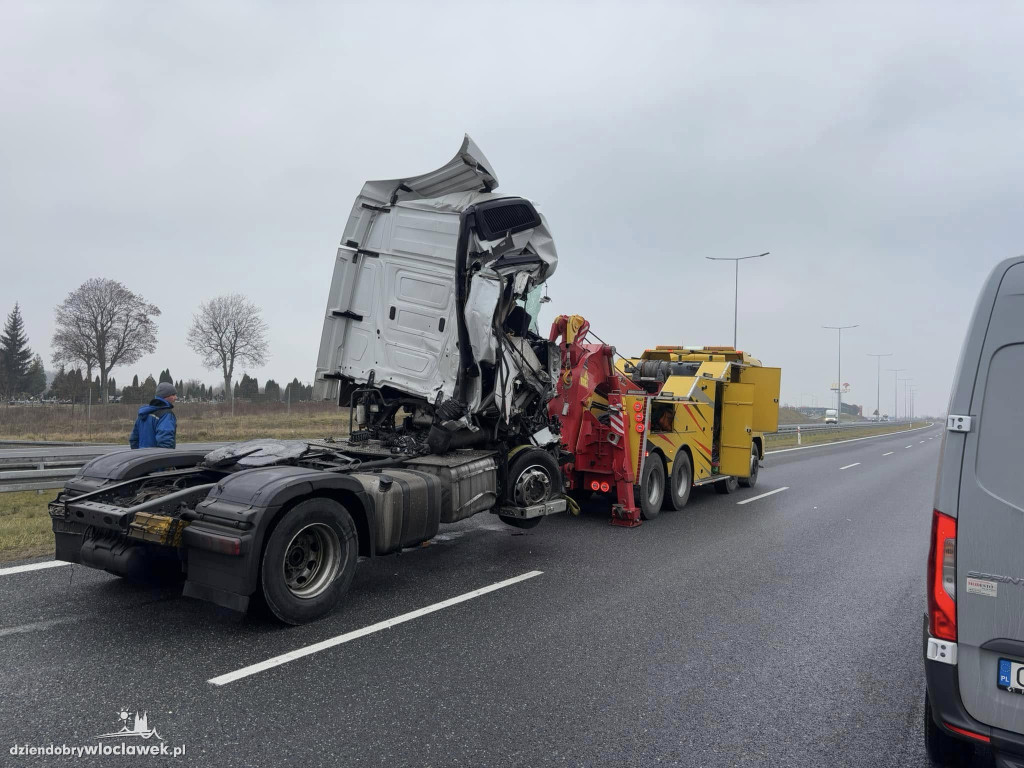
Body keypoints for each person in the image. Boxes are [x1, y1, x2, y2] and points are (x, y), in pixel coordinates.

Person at [130, 382, 178, 449]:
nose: (176, 397)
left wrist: (138, 455)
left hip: (142, 457)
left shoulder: (144, 413)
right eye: (173, 395)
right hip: (156, 458)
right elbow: (165, 442)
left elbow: (134, 439)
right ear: (165, 396)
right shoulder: (166, 414)